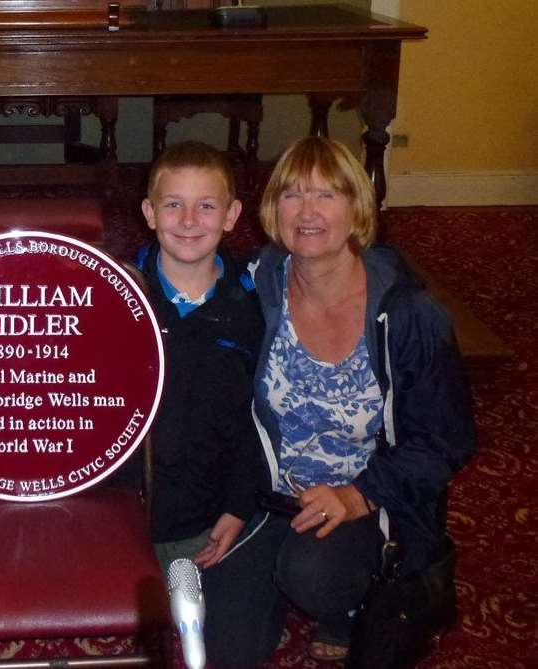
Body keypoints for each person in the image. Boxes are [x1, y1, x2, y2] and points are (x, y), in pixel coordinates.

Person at [200, 136, 477, 667]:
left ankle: (346, 602)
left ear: (356, 210)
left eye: (327, 195)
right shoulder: (260, 282)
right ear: (271, 208)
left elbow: (444, 443)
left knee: (315, 577)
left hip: (366, 501)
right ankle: (279, 574)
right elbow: (187, 289)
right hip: (270, 496)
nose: (307, 212)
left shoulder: (409, 314)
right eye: (292, 195)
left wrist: (357, 496)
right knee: (223, 644)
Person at [116, 141, 263, 574]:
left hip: (205, 515)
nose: (188, 221)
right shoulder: (115, 297)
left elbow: (258, 419)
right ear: (149, 212)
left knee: (226, 638)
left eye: (206, 207)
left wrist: (239, 505)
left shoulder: (253, 310)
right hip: (123, 505)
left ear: (232, 215)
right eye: (174, 204)